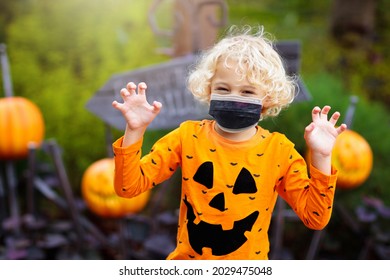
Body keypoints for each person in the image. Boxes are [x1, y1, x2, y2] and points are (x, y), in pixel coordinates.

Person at [111, 25, 347, 260]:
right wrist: (135, 130)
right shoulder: (187, 137)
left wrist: (322, 156)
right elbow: (128, 187)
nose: (234, 97)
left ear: (266, 100)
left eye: (247, 92)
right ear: (209, 90)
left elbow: (315, 218)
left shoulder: (279, 151)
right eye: (223, 88)